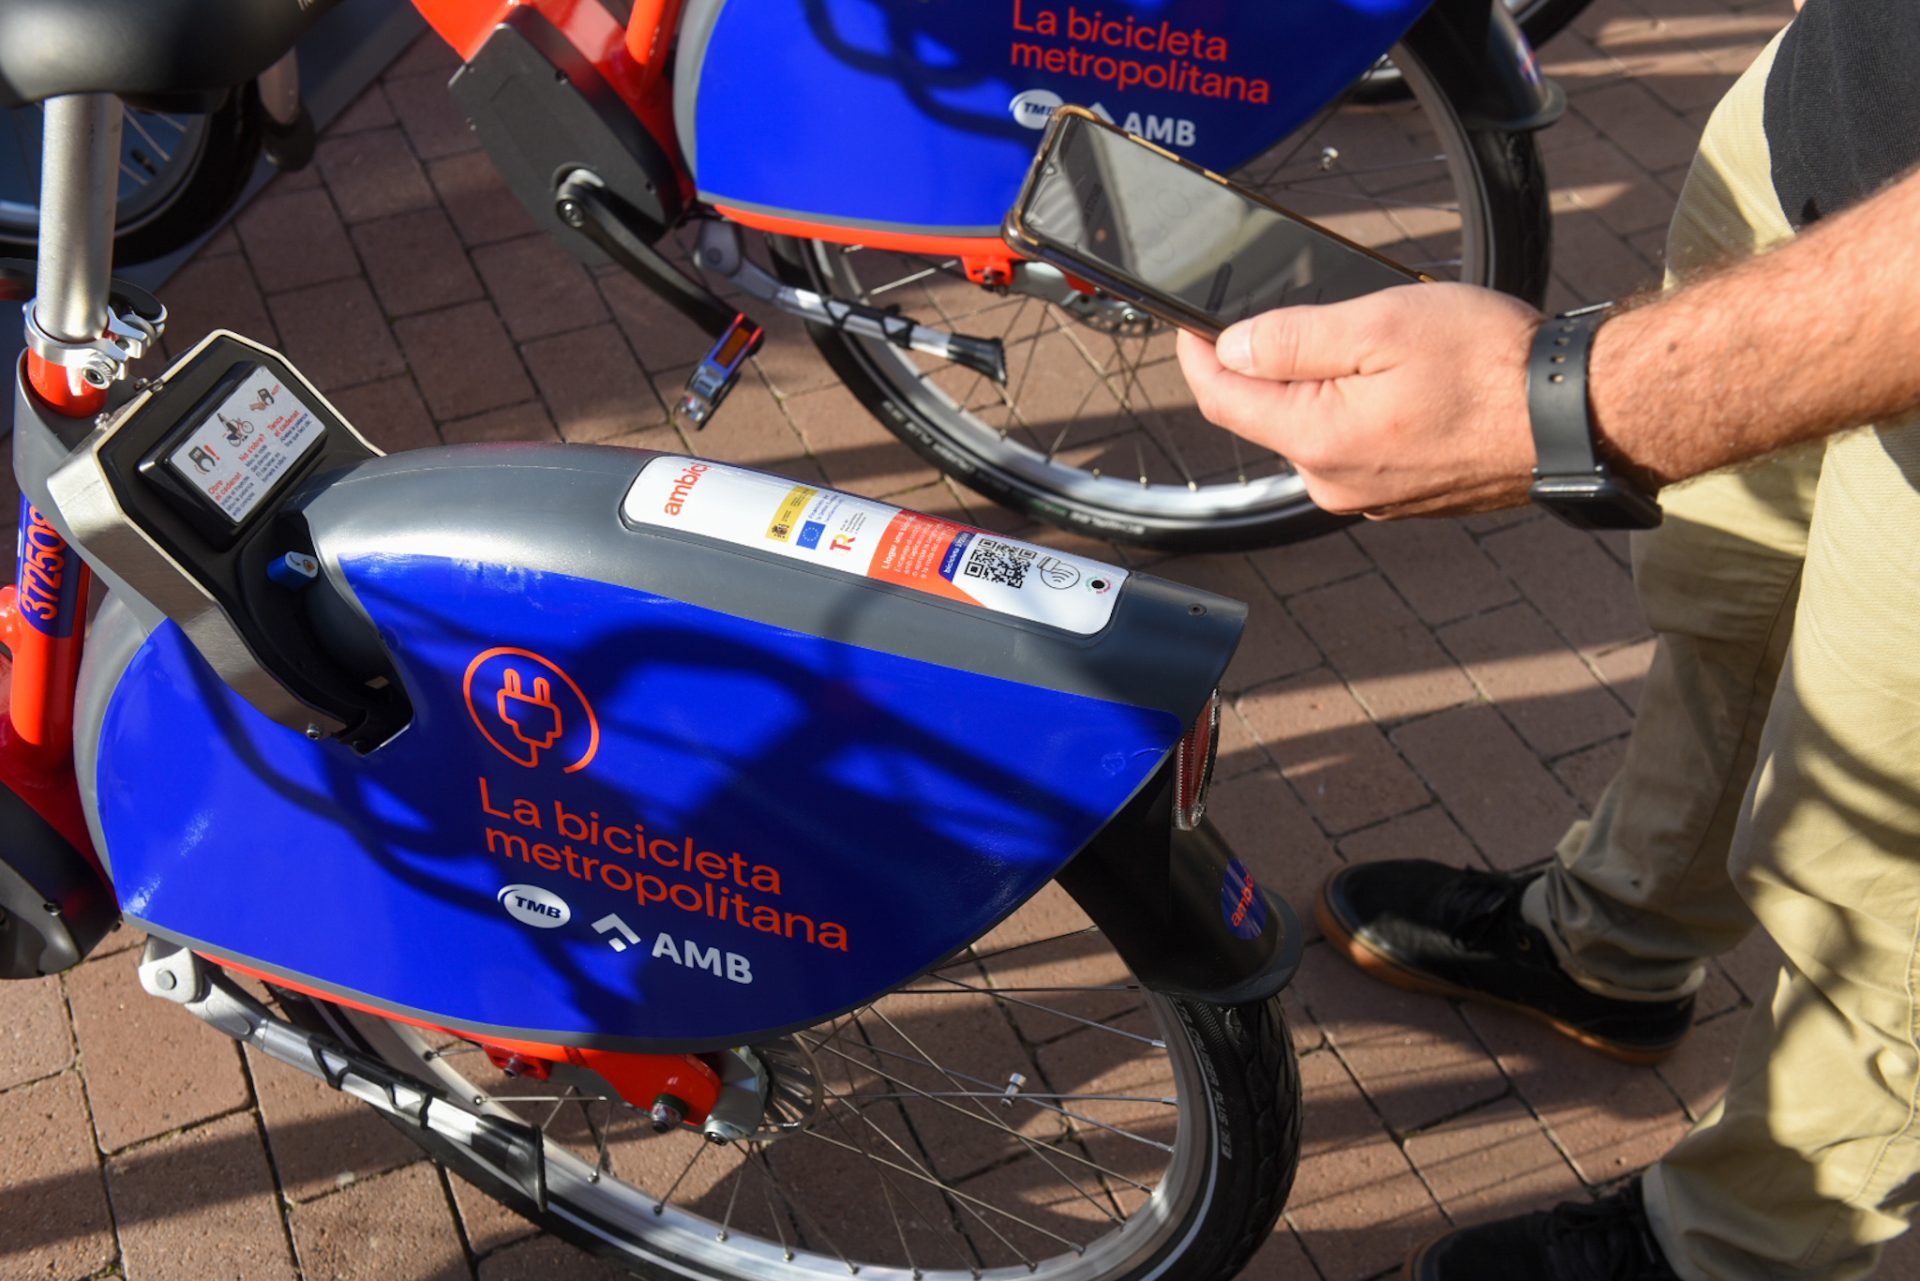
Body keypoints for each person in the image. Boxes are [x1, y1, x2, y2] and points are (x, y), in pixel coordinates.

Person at [1177, 2, 1920, 1278]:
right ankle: (1617, 944)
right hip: (1829, 119)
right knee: (1722, 596)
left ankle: (1740, 1246)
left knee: (1882, 880)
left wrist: (1580, 406)